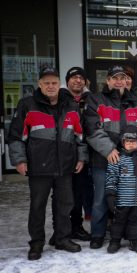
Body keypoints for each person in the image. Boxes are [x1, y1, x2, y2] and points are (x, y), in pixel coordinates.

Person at [8, 66, 88, 260]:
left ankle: (62, 238)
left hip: (65, 166)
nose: (51, 86)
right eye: (46, 83)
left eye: (54, 82)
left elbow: (80, 135)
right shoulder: (27, 104)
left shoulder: (70, 105)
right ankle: (36, 244)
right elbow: (16, 136)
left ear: (58, 83)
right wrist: (19, 160)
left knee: (65, 204)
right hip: (38, 166)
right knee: (37, 206)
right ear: (39, 84)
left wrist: (81, 157)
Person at [84, 65, 137, 249]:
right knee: (101, 198)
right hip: (104, 160)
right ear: (107, 81)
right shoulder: (96, 100)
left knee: (133, 199)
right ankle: (98, 234)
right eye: (114, 78)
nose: (119, 81)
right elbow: (92, 129)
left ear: (127, 81)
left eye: (122, 78)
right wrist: (109, 150)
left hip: (133, 162)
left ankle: (133, 236)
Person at [105, 125, 137, 254]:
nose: (130, 144)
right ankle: (115, 241)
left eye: (133, 141)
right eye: (127, 141)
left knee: (136, 221)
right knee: (119, 221)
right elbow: (111, 177)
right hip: (122, 200)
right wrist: (111, 194)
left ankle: (136, 241)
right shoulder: (117, 159)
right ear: (123, 142)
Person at [61, 67, 93, 241]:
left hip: (86, 152)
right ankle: (60, 229)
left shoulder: (91, 99)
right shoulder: (58, 99)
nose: (78, 80)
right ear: (67, 81)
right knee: (61, 193)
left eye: (81, 77)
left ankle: (76, 226)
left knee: (80, 192)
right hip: (63, 152)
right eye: (74, 77)